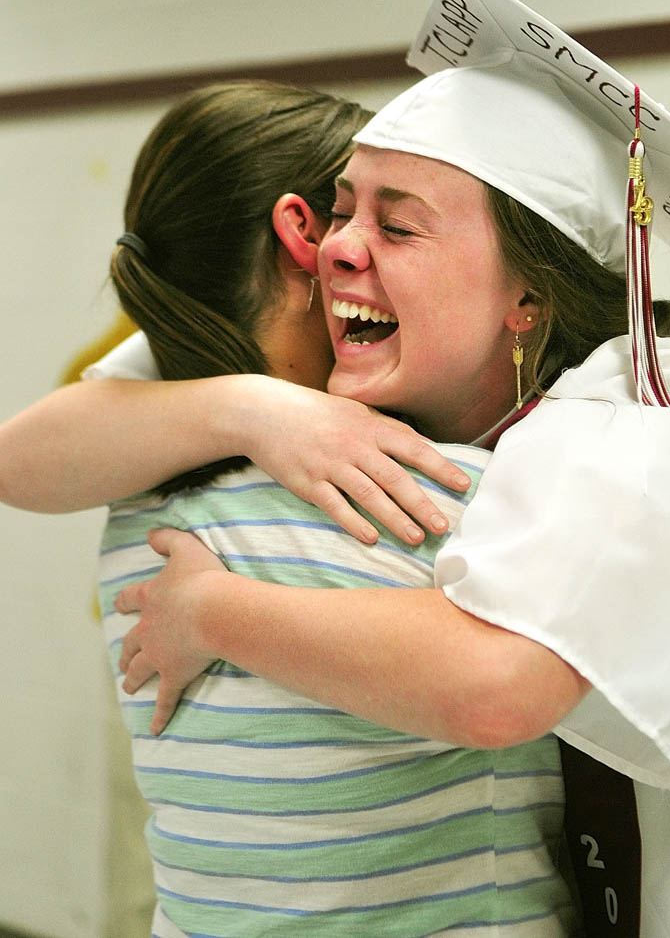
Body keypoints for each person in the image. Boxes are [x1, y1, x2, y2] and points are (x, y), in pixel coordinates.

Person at [1, 0, 670, 937]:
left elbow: (498, 681)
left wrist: (211, 608)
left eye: (396, 221)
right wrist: (255, 408)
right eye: (341, 207)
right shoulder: (333, 404)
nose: (337, 247)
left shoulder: (629, 422)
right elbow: (30, 450)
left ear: (526, 299)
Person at [33, 79, 586, 936]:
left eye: (399, 227)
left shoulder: (134, 487)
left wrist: (248, 410)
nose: (359, 250)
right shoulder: (430, 493)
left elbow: (26, 455)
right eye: (354, 218)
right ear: (307, 243)